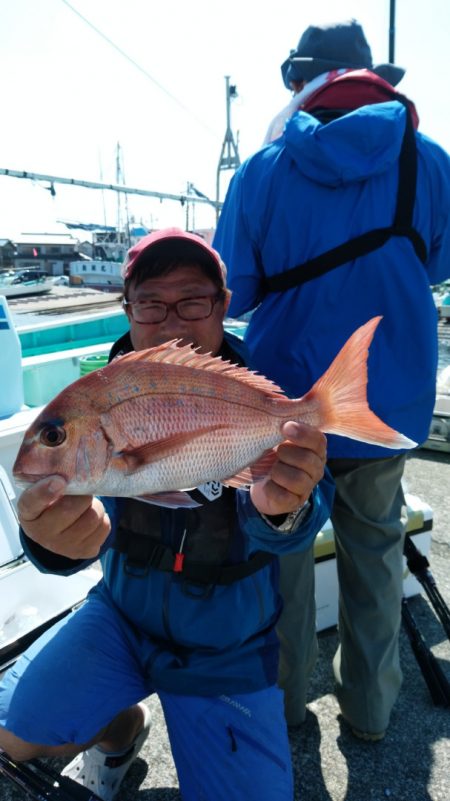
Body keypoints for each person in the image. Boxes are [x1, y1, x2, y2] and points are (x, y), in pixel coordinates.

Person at [0, 228, 333, 801]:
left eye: (193, 300)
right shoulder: (97, 400)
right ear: (127, 308)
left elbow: (307, 509)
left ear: (223, 306)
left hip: (228, 646)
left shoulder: (262, 398)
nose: (172, 321)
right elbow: (72, 528)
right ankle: (122, 732)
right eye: (151, 302)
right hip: (120, 618)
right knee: (9, 734)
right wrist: (50, 540)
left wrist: (286, 511)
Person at [213, 20, 450, 740]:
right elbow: (435, 266)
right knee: (374, 558)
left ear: (304, 82)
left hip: (285, 407)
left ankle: (284, 715)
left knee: (281, 558)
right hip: (390, 404)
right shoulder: (429, 162)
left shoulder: (264, 168)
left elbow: (235, 291)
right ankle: (371, 716)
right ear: (371, 77)